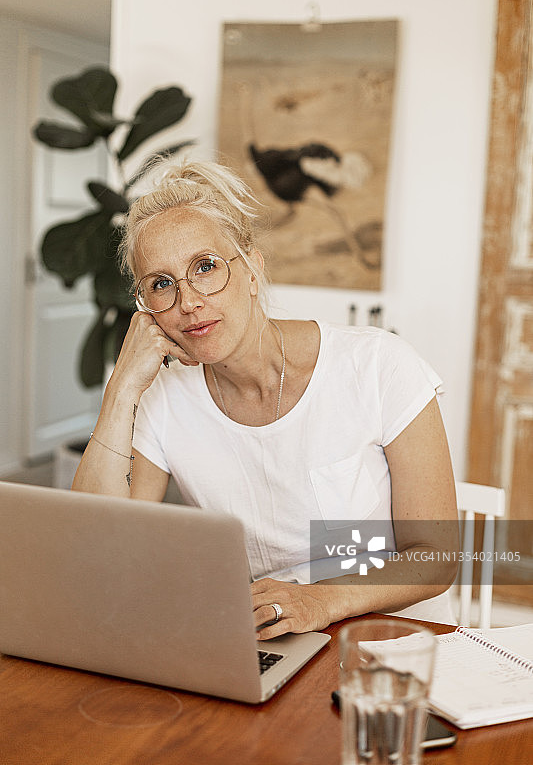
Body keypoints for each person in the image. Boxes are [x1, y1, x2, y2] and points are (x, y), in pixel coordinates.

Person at [72, 159, 458, 639]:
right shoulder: (163, 399)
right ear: (145, 308)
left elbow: (436, 558)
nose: (188, 301)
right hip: (271, 641)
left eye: (206, 267)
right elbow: (98, 551)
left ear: (252, 268)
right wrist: (122, 387)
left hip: (390, 643)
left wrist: (320, 600)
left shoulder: (378, 365)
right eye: (161, 284)